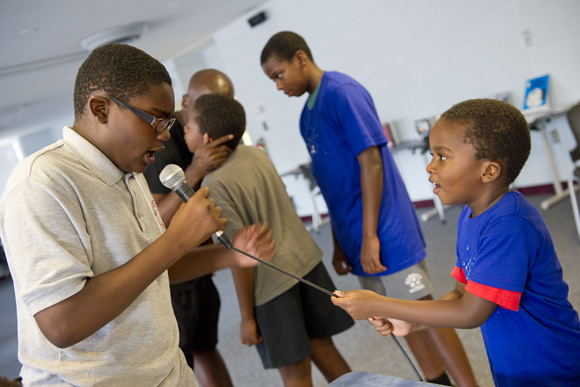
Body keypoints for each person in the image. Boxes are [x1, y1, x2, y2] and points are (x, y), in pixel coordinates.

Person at [0, 44, 275, 387]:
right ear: (101, 109)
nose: (163, 135)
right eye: (157, 119)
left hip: (166, 370)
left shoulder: (130, 174)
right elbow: (62, 323)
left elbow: (152, 266)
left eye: (170, 122)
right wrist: (177, 239)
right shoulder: (41, 183)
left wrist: (231, 254)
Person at [260, 31, 477, 387]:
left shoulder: (342, 92)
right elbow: (331, 184)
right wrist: (340, 240)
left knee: (423, 311)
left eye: (279, 74)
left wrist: (371, 235)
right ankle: (436, 383)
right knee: (395, 316)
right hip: (356, 234)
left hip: (385, 229)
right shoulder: (305, 118)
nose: (279, 86)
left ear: (300, 58)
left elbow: (371, 160)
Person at [332, 99, 580, 387]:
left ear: (488, 171)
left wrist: (383, 303)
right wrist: (415, 322)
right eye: (431, 154)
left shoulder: (510, 226)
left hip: (554, 370)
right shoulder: (470, 215)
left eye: (442, 156)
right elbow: (460, 295)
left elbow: (471, 312)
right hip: (515, 369)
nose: (430, 166)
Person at [184, 93, 354, 387]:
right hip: (305, 264)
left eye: (187, 127)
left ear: (205, 138)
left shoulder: (214, 185)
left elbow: (239, 258)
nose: (183, 132)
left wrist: (247, 317)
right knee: (325, 350)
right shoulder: (255, 153)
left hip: (271, 287)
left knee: (295, 372)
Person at [143, 69, 236, 387]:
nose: (215, 118)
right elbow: (157, 220)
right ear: (186, 103)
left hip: (201, 265)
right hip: (174, 279)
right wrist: (195, 170)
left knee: (207, 347)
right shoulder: (163, 147)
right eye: (206, 107)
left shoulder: (211, 138)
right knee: (180, 365)